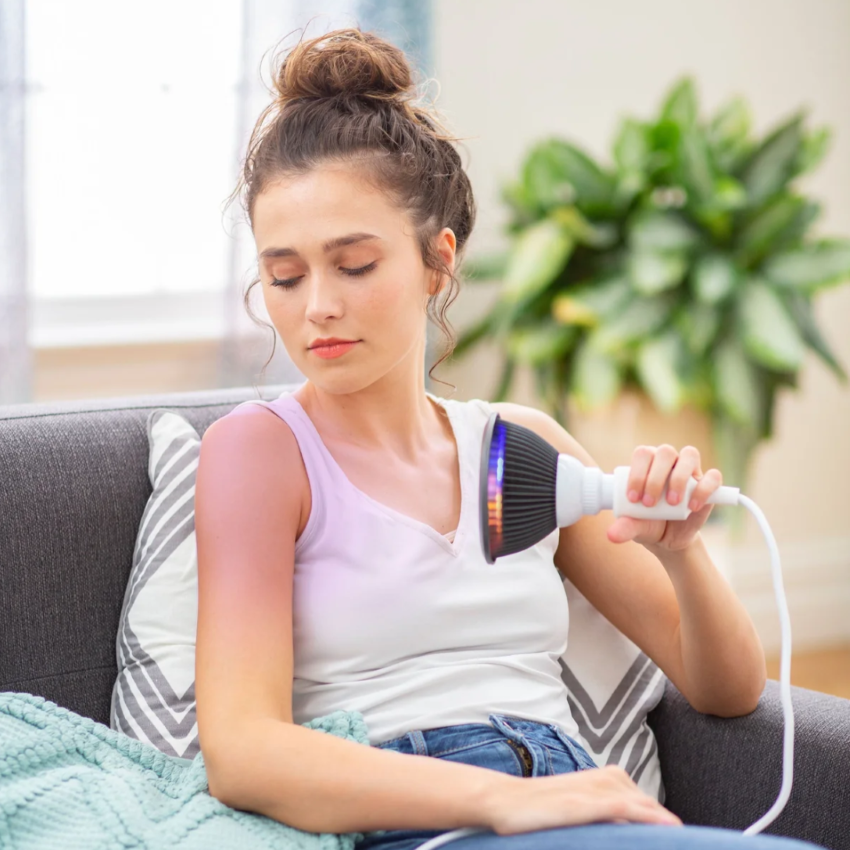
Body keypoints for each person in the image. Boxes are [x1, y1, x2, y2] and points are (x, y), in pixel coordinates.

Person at [193, 25, 824, 850]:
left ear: (437, 261)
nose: (315, 306)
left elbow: (728, 693)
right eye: (284, 275)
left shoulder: (520, 450)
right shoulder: (262, 453)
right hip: (425, 822)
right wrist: (496, 799)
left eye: (353, 265)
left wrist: (680, 551)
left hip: (572, 797)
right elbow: (241, 752)